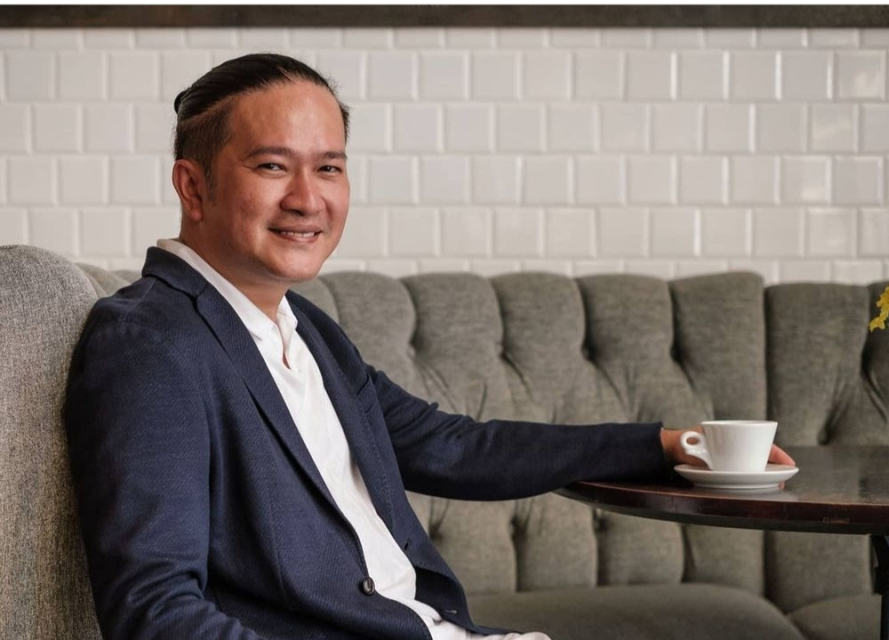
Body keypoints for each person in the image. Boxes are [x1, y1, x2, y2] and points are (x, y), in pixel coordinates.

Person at [64, 53, 794, 640]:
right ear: (193, 188)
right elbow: (154, 611)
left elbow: (455, 447)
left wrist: (661, 444)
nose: (308, 198)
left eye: (329, 167)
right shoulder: (151, 343)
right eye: (272, 166)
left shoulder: (303, 328)